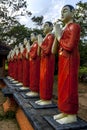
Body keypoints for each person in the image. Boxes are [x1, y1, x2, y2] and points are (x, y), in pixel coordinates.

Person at [52, 5, 81, 124]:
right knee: (62, 86)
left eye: (65, 11)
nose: (62, 13)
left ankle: (71, 114)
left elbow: (69, 46)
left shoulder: (74, 26)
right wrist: (56, 34)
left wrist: (59, 36)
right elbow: (53, 51)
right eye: (61, 11)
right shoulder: (64, 29)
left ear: (73, 12)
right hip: (63, 60)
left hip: (70, 59)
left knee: (69, 85)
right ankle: (65, 110)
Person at [35, 22, 55, 105]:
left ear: (51, 27)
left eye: (46, 26)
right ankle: (43, 97)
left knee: (46, 79)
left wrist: (40, 44)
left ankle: (47, 99)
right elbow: (39, 53)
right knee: (43, 80)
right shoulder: (45, 38)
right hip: (43, 61)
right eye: (43, 26)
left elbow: (47, 51)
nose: (44, 28)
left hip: (48, 61)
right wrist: (41, 44)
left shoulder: (51, 36)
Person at [26, 33, 40, 97]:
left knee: (34, 76)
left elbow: (33, 55)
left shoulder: (36, 44)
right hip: (32, 63)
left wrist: (29, 50)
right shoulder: (33, 45)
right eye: (30, 36)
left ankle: (35, 90)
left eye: (32, 36)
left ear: (36, 36)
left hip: (35, 63)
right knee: (32, 76)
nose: (31, 37)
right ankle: (32, 90)